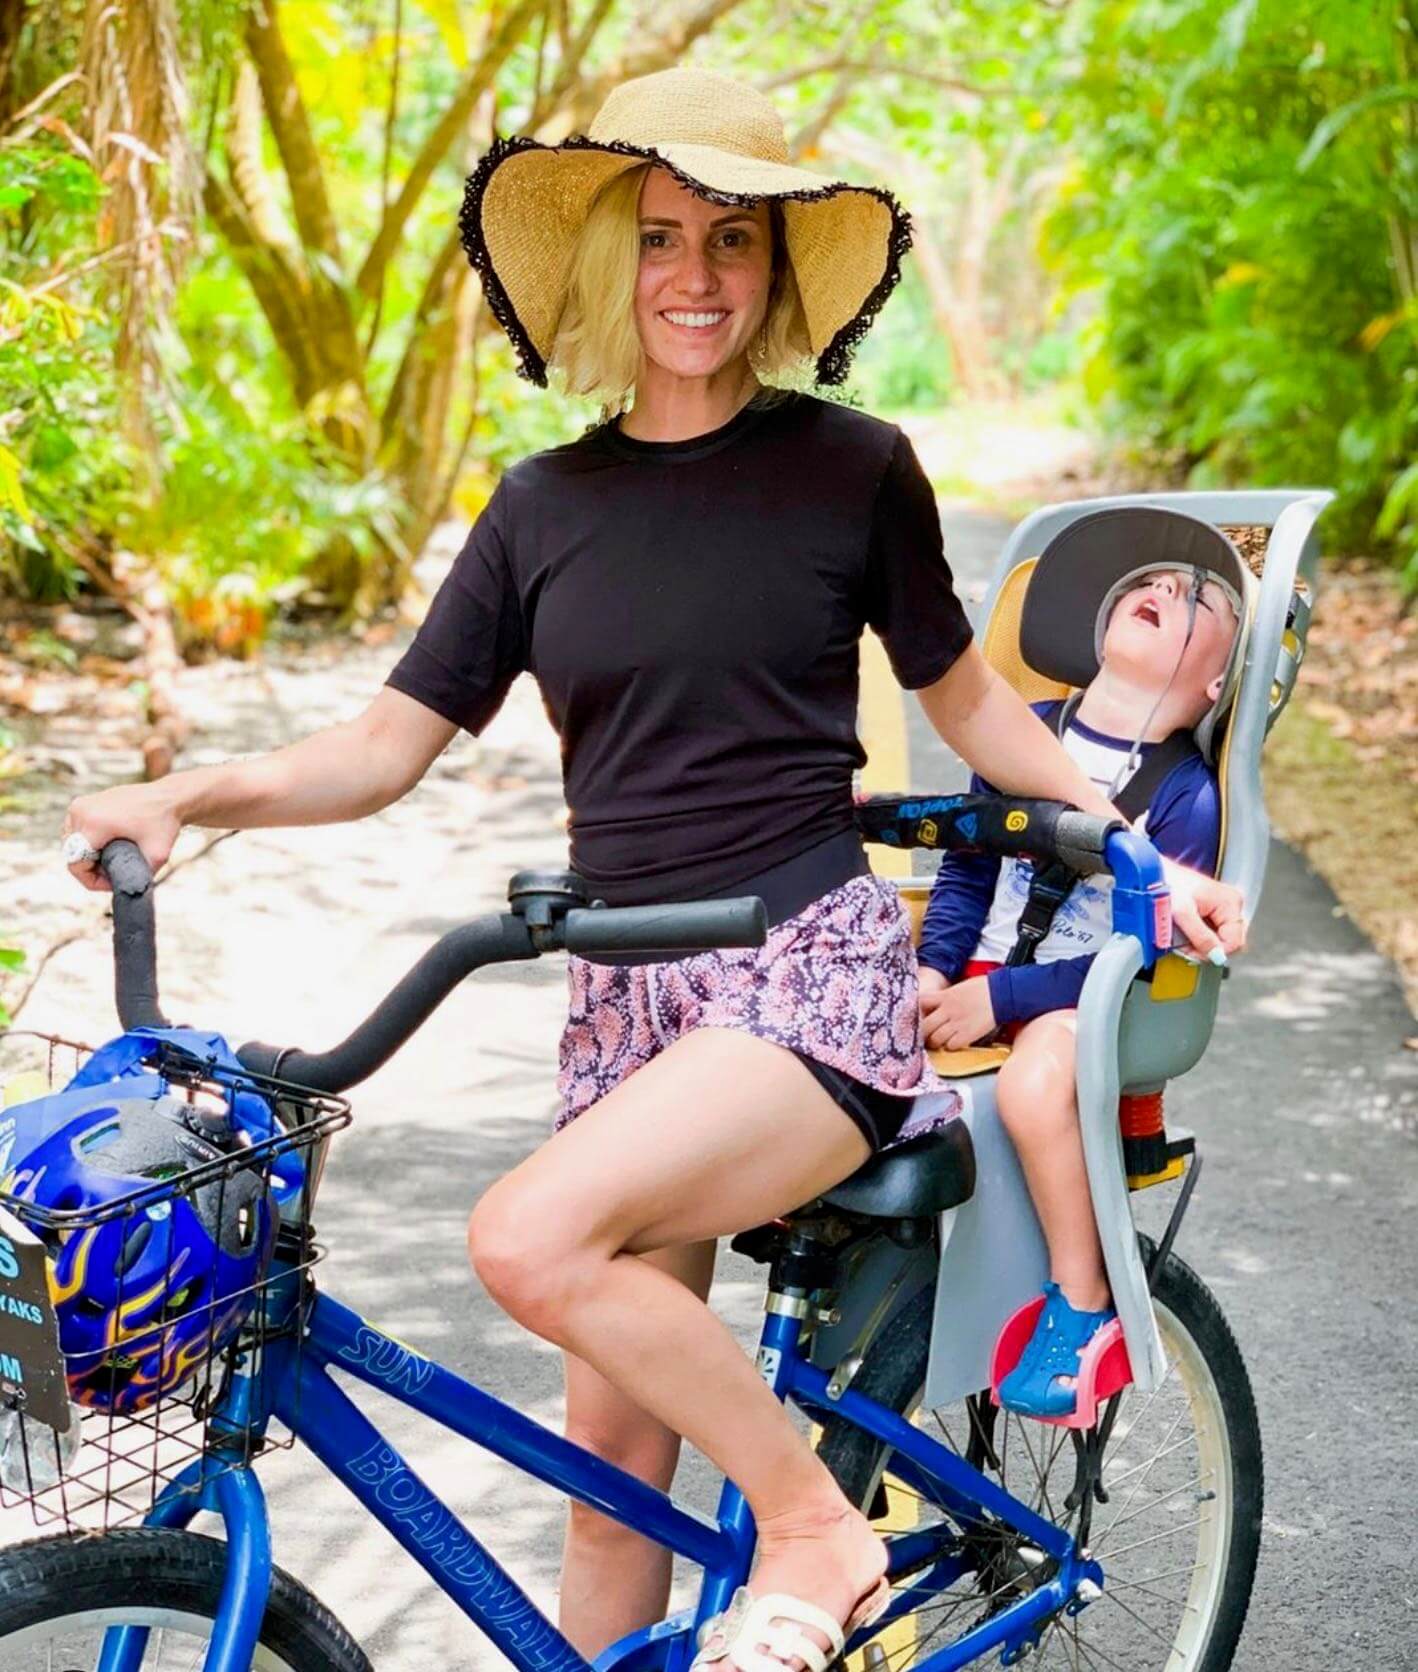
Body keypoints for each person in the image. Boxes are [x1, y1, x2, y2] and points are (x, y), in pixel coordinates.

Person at [61, 68, 1245, 1672]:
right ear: (615, 263)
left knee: (526, 1242)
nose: (696, 277)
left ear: (771, 274)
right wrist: (186, 795)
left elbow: (966, 705)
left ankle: (818, 1532)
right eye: (665, 238)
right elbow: (380, 746)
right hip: (625, 1007)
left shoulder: (851, 467)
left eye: (733, 241)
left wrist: (1119, 846)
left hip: (803, 971)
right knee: (611, 1494)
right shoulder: (541, 507)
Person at [916, 509, 1248, 1418]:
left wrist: (1007, 1000)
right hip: (981, 981)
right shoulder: (1020, 732)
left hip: (1088, 1000)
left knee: (1031, 1085)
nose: (1162, 588)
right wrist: (938, 973)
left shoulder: (1185, 794)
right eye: (1146, 582)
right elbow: (967, 864)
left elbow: (1141, 951)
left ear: (1216, 677)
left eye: (1197, 597)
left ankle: (1080, 1297)